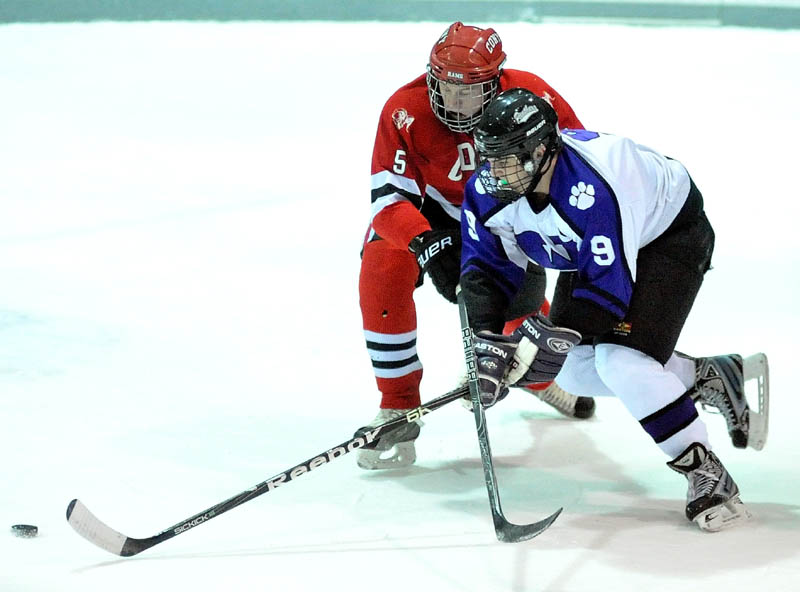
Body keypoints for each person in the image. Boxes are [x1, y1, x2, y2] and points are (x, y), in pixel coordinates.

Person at [459, 87, 769, 531]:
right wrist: (486, 342)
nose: (496, 172)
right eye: (490, 158)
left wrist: (539, 340)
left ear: (544, 149)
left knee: (622, 361)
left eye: (509, 158)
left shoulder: (595, 189)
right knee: (569, 370)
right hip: (595, 245)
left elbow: (606, 296)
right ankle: (710, 376)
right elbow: (486, 272)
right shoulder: (489, 191)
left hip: (668, 237)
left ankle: (706, 473)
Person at [357, 22, 594, 471]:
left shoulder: (531, 97)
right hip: (433, 212)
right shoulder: (403, 110)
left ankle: (534, 377)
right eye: (445, 90)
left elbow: (579, 163)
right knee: (382, 263)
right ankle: (397, 403)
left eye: (469, 93)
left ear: (496, 81)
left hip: (507, 207)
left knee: (508, 307)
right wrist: (427, 242)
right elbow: (388, 202)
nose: (455, 104)